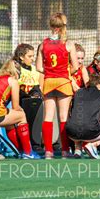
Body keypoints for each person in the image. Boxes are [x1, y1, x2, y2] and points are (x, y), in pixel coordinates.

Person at [36, 12, 79, 159]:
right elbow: (75, 66)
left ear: (51, 26)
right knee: (63, 117)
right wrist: (65, 72)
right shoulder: (68, 44)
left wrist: (50, 71)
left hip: (49, 82)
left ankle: (48, 151)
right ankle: (65, 151)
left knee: (48, 117)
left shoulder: (43, 44)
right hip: (63, 82)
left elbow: (39, 67)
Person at [66, 74, 100, 159]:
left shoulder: (78, 92)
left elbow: (73, 112)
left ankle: (78, 151)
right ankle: (93, 145)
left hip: (71, 132)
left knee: (79, 121)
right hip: (90, 132)